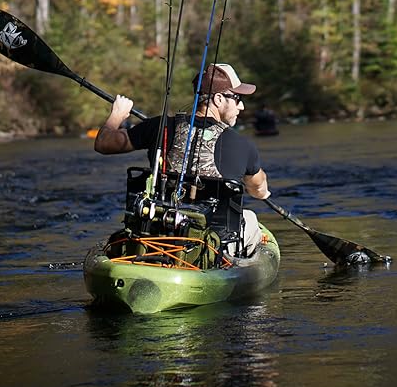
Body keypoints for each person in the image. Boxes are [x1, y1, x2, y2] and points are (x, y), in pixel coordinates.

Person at [94, 63, 270, 254]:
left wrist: (117, 115)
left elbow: (104, 143)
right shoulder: (243, 144)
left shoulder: (159, 126)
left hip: (157, 234)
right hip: (215, 248)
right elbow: (258, 188)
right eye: (237, 98)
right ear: (218, 99)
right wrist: (262, 192)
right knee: (250, 217)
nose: (242, 106)